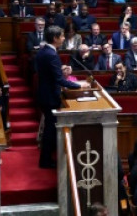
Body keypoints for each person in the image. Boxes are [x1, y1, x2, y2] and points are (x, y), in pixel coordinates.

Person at [37, 26, 88, 167]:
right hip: (50, 97)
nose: (64, 38)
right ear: (55, 38)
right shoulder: (52, 54)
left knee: (50, 127)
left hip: (44, 94)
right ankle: (45, 160)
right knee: (50, 129)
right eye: (62, 36)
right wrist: (79, 86)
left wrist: (59, 71)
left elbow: (49, 74)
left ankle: (46, 158)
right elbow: (59, 80)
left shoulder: (43, 51)